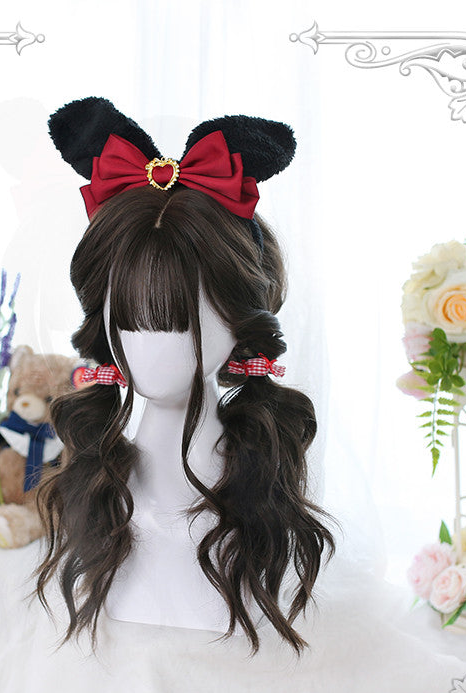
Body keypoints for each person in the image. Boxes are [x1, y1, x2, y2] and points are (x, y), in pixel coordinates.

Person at [34, 97, 335, 654]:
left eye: (176, 320)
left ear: (239, 319)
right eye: (130, 319)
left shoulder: (255, 508)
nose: (150, 350)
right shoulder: (99, 495)